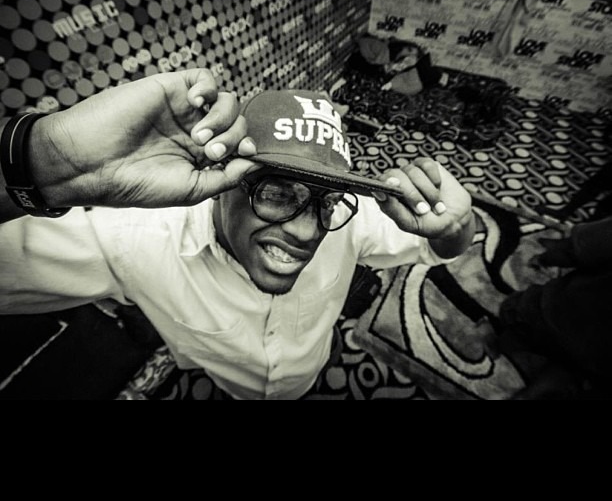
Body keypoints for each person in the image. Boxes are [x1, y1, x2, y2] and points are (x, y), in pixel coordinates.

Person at [0, 68, 476, 400]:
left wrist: (457, 227)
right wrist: (46, 159)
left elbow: (436, 245)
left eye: (327, 201)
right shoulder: (135, 240)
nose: (308, 231)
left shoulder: (348, 225)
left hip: (310, 372)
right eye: (277, 192)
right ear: (221, 182)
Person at [494, 215, 612, 400]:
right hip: (600, 363)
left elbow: (577, 249)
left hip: (553, 318)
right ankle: (560, 383)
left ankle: (516, 342)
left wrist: (545, 258)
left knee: (515, 310)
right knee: (586, 361)